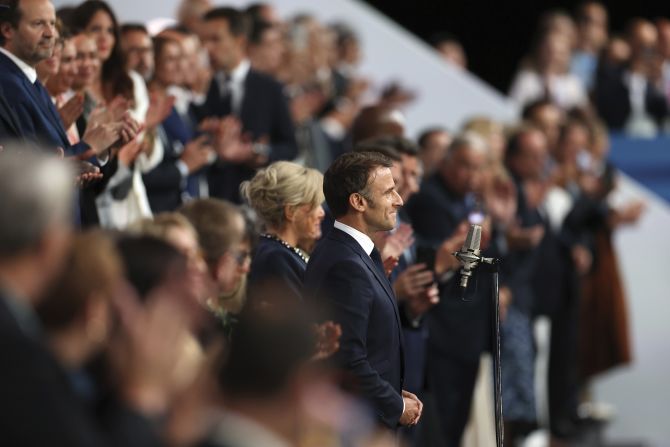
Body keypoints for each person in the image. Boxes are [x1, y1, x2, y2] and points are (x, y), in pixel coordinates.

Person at [304, 151, 423, 429]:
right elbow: (347, 357)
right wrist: (394, 405)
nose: (399, 200)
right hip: (357, 424)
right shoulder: (346, 264)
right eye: (389, 192)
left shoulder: (354, 253)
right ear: (358, 201)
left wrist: (393, 393)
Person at [197, 6, 298, 203]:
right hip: (204, 195)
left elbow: (289, 147)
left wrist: (256, 153)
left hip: (251, 198)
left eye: (215, 39)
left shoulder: (270, 88)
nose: (206, 48)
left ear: (240, 40)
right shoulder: (198, 87)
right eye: (203, 40)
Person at [242, 161, 325, 300]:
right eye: (315, 205)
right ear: (291, 211)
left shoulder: (281, 252)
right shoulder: (275, 258)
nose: (322, 213)